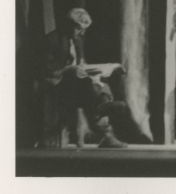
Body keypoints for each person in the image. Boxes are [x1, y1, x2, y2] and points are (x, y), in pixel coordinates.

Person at [40, 8, 129, 148]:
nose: (82, 33)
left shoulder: (77, 40)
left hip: (78, 83)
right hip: (59, 82)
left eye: (84, 30)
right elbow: (46, 70)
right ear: (68, 25)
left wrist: (95, 74)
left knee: (99, 81)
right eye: (79, 29)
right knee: (86, 85)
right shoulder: (51, 40)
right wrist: (69, 70)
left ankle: (103, 104)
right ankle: (103, 118)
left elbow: (82, 64)